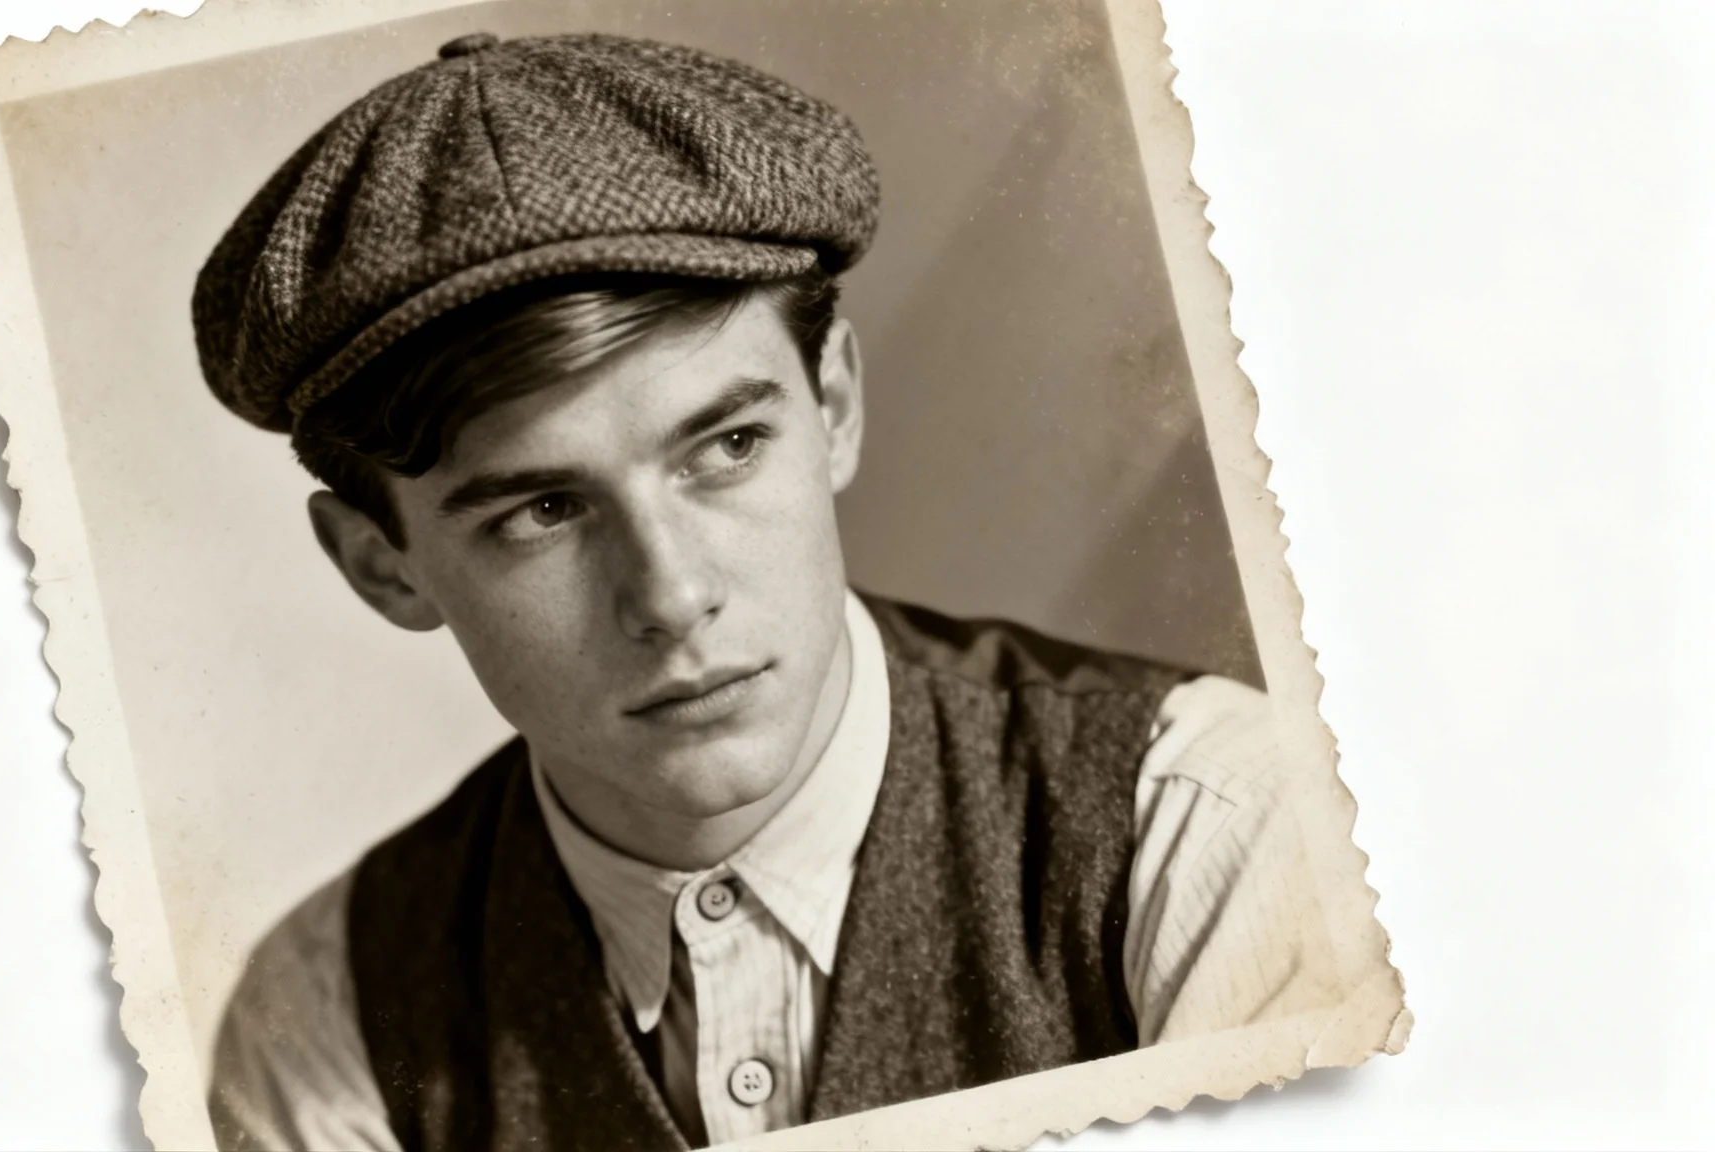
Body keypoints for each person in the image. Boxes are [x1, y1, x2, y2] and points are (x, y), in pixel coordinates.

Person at [192, 30, 1344, 1152]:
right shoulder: (329, 1017)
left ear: (832, 404)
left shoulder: (1202, 829)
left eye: (728, 446)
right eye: (541, 512)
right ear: (380, 564)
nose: (672, 594)